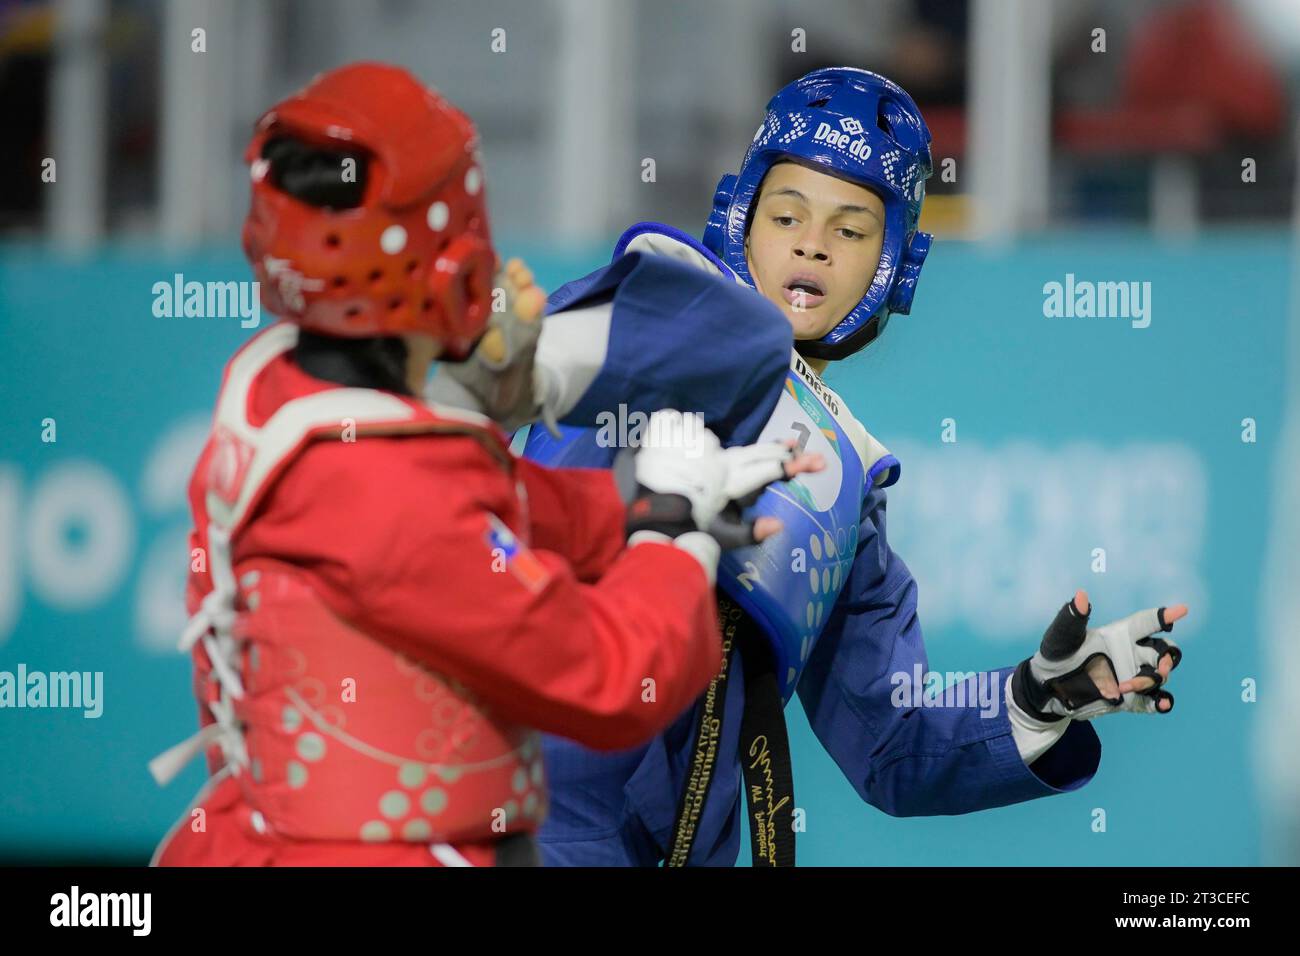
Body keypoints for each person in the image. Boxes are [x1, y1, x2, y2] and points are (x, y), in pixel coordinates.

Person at [445, 67, 1187, 866]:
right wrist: (519, 366)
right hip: (515, 821)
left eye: (851, 230)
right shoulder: (680, 301)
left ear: (894, 264)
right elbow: (584, 349)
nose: (811, 243)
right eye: (787, 213)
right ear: (740, 217)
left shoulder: (850, 482)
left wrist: (1036, 703)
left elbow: (892, 740)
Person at [146, 62, 817, 867]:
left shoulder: (269, 388)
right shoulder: (394, 494)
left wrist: (634, 505)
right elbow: (608, 680)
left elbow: (470, 508)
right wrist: (676, 542)